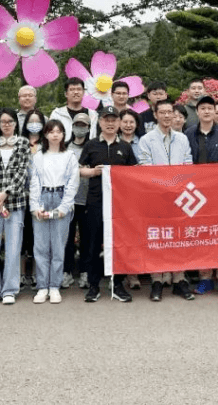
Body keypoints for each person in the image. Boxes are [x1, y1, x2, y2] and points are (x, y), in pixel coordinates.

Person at [137, 100, 195, 302]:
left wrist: (177, 186)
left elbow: (188, 164)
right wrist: (165, 186)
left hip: (180, 196)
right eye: (162, 112)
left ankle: (179, 279)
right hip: (156, 195)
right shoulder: (146, 139)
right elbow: (146, 168)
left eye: (170, 112)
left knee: (179, 237)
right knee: (158, 238)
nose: (167, 116)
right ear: (155, 115)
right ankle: (157, 280)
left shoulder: (182, 139)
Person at [79, 106, 137, 303]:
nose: (110, 123)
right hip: (95, 201)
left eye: (114, 120)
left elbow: (134, 174)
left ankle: (118, 284)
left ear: (119, 123)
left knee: (119, 244)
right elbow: (79, 170)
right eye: (106, 120)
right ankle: (94, 285)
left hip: (119, 204)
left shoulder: (126, 147)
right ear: (100, 122)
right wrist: (94, 172)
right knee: (93, 243)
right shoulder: (91, 145)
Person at [186, 95, 218, 297]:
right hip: (196, 194)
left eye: (210, 108)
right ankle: (205, 278)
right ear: (197, 112)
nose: (207, 111)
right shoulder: (189, 133)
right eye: (203, 108)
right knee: (201, 235)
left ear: (215, 112)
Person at [29, 120, 80, 304]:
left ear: (63, 135)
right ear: (46, 134)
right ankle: (42, 286)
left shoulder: (69, 156)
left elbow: (73, 183)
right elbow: (33, 182)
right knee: (41, 246)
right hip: (43, 196)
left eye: (59, 131)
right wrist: (35, 206)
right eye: (51, 131)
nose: (55, 135)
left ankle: (54, 286)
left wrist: (64, 207)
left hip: (60, 196)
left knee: (58, 246)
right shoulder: (38, 157)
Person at [0, 108, 30, 305]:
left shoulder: (23, 143)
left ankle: (10, 289)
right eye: (3, 122)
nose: (7, 124)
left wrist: (5, 194)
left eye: (10, 121)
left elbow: (22, 173)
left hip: (15, 201)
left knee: (13, 246)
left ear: (15, 123)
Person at [63, 112, 93, 289]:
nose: (80, 128)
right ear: (72, 126)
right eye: (77, 124)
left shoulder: (92, 147)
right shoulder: (64, 147)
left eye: (84, 125)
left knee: (87, 238)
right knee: (66, 238)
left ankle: (85, 272)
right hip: (68, 200)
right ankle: (66, 272)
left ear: (89, 128)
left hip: (87, 199)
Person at [19, 109, 47, 289]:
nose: (34, 124)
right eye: (31, 121)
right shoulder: (19, 143)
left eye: (38, 121)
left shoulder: (47, 143)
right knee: (22, 237)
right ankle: (22, 274)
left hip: (42, 196)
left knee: (39, 236)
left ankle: (38, 273)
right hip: (21, 195)